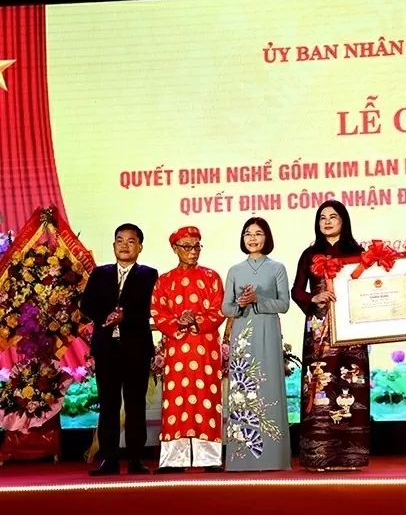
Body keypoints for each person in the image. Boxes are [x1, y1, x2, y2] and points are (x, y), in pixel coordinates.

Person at [291, 199, 369, 471]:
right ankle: (318, 455)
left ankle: (351, 457)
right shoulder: (310, 254)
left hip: (353, 330)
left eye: (333, 216)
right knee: (321, 388)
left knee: (350, 387)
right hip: (320, 331)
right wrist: (315, 296)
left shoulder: (360, 253)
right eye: (322, 217)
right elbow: (296, 290)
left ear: (343, 221)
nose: (327, 221)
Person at [80, 223, 158, 476]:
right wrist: (108, 316)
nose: (125, 246)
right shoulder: (99, 274)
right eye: (120, 241)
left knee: (135, 404)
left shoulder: (149, 274)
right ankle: (109, 459)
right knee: (109, 405)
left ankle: (136, 459)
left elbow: (151, 306)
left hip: (136, 347)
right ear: (114, 245)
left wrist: (125, 316)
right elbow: (86, 304)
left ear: (140, 247)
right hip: (106, 349)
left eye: (131, 241)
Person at [150, 226, 226, 473]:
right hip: (177, 349)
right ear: (175, 249)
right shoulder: (164, 281)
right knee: (176, 402)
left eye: (196, 246)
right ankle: (174, 459)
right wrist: (176, 323)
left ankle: (209, 457)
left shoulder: (212, 277)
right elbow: (157, 312)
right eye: (187, 247)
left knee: (207, 400)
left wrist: (195, 322)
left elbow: (218, 310)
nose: (193, 252)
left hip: (206, 349)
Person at [222, 217, 292, 471]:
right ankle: (242, 457)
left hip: (268, 332)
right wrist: (241, 303)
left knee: (269, 386)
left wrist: (257, 298)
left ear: (267, 237)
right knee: (243, 389)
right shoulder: (234, 270)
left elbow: (283, 304)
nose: (252, 238)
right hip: (243, 334)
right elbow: (225, 308)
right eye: (247, 234)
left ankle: (274, 456)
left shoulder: (277, 268)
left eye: (258, 233)